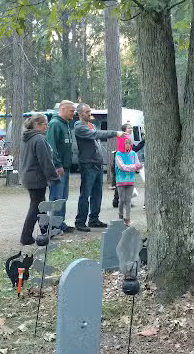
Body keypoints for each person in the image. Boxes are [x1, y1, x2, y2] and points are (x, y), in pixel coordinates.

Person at [73, 103, 124, 232]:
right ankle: (80, 221)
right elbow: (97, 134)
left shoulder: (92, 125)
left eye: (89, 111)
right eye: (86, 112)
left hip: (97, 163)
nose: (89, 113)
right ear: (80, 114)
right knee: (85, 194)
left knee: (97, 194)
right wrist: (115, 133)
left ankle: (94, 219)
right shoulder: (79, 127)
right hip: (88, 164)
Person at [19, 114, 60, 245]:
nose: (47, 127)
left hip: (28, 176)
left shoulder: (27, 138)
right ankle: (26, 237)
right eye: (45, 124)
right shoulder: (39, 139)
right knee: (36, 207)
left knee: (40, 205)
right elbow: (45, 161)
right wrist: (54, 177)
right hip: (36, 178)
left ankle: (46, 231)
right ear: (37, 125)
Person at [44, 100, 76, 233]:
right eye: (71, 111)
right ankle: (54, 225)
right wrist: (57, 165)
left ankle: (60, 223)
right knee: (56, 196)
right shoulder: (55, 124)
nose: (73, 113)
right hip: (58, 168)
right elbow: (51, 147)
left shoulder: (66, 124)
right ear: (62, 109)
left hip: (66, 167)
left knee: (63, 196)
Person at [115, 136, 143, 225]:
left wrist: (139, 167)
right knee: (122, 199)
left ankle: (127, 218)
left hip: (131, 180)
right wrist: (134, 167)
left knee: (128, 200)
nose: (128, 145)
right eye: (126, 143)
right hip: (121, 180)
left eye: (129, 143)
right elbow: (122, 166)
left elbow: (137, 164)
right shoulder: (118, 154)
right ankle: (120, 216)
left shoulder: (133, 154)